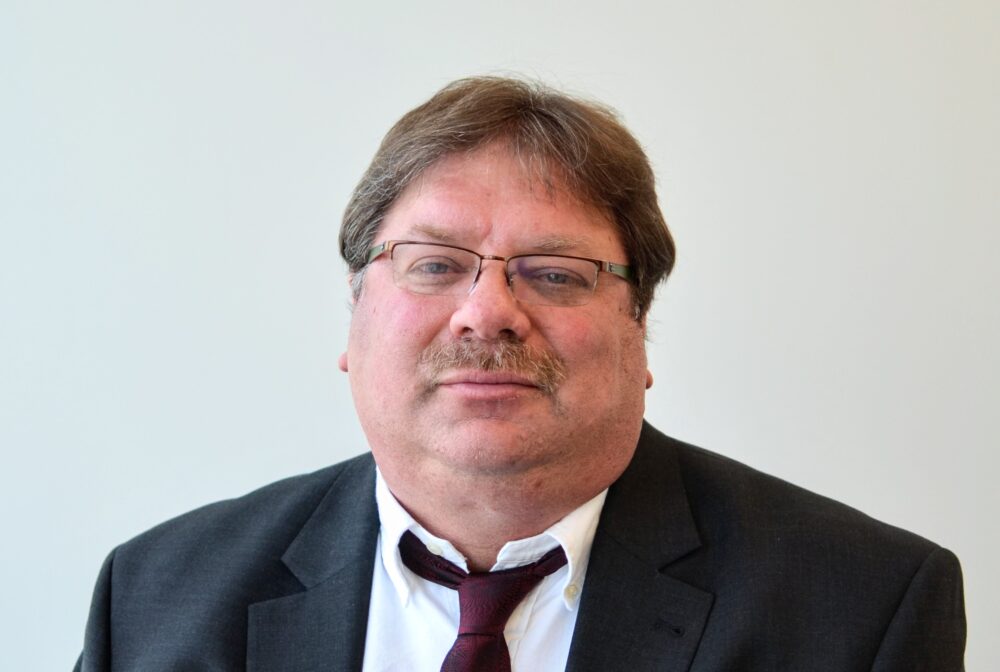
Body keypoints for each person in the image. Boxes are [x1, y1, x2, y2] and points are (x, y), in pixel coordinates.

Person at [75, 77, 966, 671]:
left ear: (639, 329)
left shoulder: (861, 610)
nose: (487, 310)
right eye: (432, 264)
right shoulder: (156, 600)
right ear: (353, 316)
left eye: (555, 272)